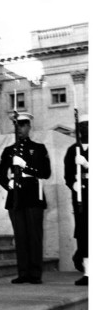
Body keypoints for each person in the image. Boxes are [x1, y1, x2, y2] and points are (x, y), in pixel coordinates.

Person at [0, 113, 51, 284]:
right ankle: (23, 272)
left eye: (22, 125)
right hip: (16, 197)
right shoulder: (8, 150)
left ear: (28, 127)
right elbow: (0, 176)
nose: (19, 129)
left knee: (34, 236)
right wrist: (9, 184)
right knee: (20, 236)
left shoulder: (39, 148)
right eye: (17, 125)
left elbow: (45, 173)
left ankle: (35, 273)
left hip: (33, 194)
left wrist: (25, 165)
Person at [63, 115, 89, 286]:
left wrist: (87, 165)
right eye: (81, 127)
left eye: (87, 126)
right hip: (80, 196)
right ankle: (88, 272)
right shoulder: (73, 150)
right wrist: (73, 184)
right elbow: (68, 174)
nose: (84, 130)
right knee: (83, 232)